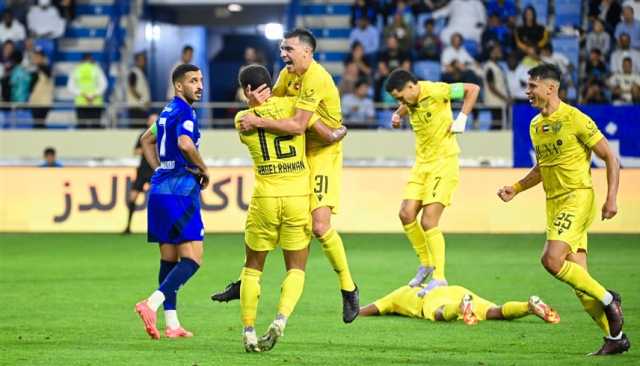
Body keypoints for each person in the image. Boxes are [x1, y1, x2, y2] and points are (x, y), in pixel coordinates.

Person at [215, 28, 360, 324]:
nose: (283, 54)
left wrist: (255, 119)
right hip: (299, 153)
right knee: (275, 225)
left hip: (322, 154)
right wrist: (252, 111)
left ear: (307, 51)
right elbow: (273, 106)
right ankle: (245, 280)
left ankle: (348, 287)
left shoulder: (316, 78)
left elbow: (295, 124)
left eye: (288, 49)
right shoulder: (287, 74)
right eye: (281, 49)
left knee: (320, 226)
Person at [497, 63, 629, 356]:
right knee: (581, 286)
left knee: (551, 259)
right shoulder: (535, 125)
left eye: (532, 86)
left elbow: (610, 157)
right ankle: (615, 337)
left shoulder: (575, 118)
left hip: (577, 197)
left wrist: (612, 198)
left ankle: (610, 300)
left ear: (550, 88)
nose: (527, 91)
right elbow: (543, 168)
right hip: (554, 204)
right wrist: (515, 188)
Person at [234, 64, 347, 352]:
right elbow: (324, 132)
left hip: (265, 199)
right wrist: (338, 133)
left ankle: (248, 331)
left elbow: (255, 121)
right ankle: (280, 321)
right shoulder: (294, 106)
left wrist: (259, 115)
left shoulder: (242, 119)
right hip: (298, 197)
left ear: (247, 90)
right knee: (296, 268)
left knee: (252, 268)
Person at [385, 69, 479, 297]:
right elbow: (408, 105)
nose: (400, 101)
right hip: (422, 165)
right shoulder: (411, 98)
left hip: (443, 163)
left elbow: (472, 89)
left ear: (411, 86)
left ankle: (439, 277)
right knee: (406, 214)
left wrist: (462, 119)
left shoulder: (437, 90)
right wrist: (398, 113)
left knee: (428, 220)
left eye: (400, 97)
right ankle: (426, 263)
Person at [134, 64, 208, 340]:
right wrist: (204, 169)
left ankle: (172, 324)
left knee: (169, 258)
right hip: (180, 190)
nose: (200, 85)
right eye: (193, 81)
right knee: (193, 259)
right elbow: (187, 144)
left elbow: (146, 139)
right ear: (179, 86)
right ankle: (150, 304)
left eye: (201, 80)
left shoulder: (165, 112)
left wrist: (157, 169)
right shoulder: (186, 112)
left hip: (159, 190)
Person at [359, 284, 560, 326]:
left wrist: (355, 311)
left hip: (429, 299)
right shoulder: (428, 283)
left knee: (437, 314)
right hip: (456, 288)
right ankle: (529, 306)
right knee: (493, 311)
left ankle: (459, 308)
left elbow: (371, 309)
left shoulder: (399, 294)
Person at [124, 113, 158, 235]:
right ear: (148, 122)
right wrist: (146, 146)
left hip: (155, 170)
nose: (153, 122)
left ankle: (157, 227)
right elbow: (135, 151)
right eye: (152, 120)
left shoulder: (162, 135)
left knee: (157, 199)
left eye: (156, 120)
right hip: (143, 170)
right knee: (132, 197)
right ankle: (128, 226)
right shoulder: (143, 136)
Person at [67, 53, 107, 128]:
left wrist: (83, 94)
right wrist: (94, 95)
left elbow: (70, 87)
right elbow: (104, 85)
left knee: (82, 128)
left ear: (82, 60)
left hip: (81, 102)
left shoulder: (77, 69)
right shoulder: (97, 69)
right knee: (96, 128)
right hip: (95, 102)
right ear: (91, 59)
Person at [127, 51, 151, 127]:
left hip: (141, 108)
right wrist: (142, 100)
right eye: (141, 60)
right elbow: (132, 89)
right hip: (136, 108)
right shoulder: (133, 72)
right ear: (136, 61)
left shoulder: (141, 73)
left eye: (144, 59)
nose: (143, 61)